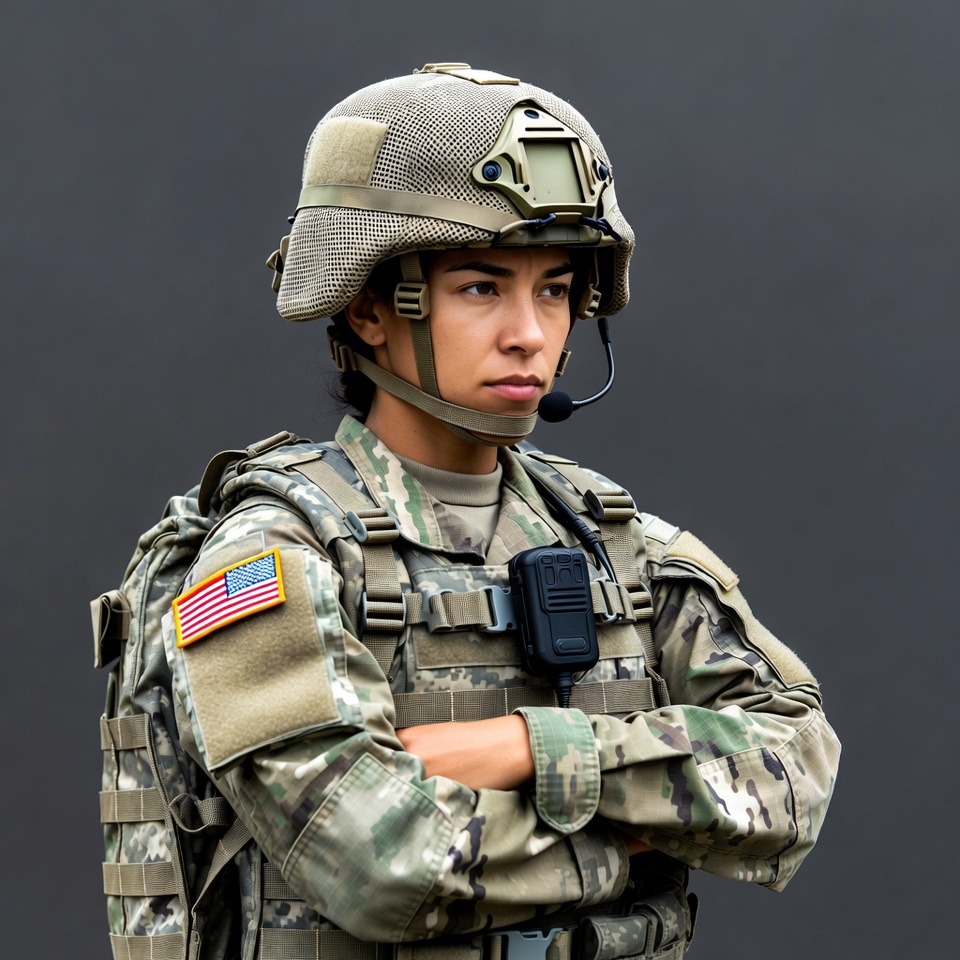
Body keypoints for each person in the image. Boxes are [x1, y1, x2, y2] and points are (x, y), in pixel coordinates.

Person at [155, 63, 839, 959]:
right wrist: (650, 832)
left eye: (554, 289)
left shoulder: (616, 543)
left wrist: (525, 749)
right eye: (481, 288)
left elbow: (797, 772)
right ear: (367, 308)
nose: (530, 334)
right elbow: (385, 861)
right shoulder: (273, 552)